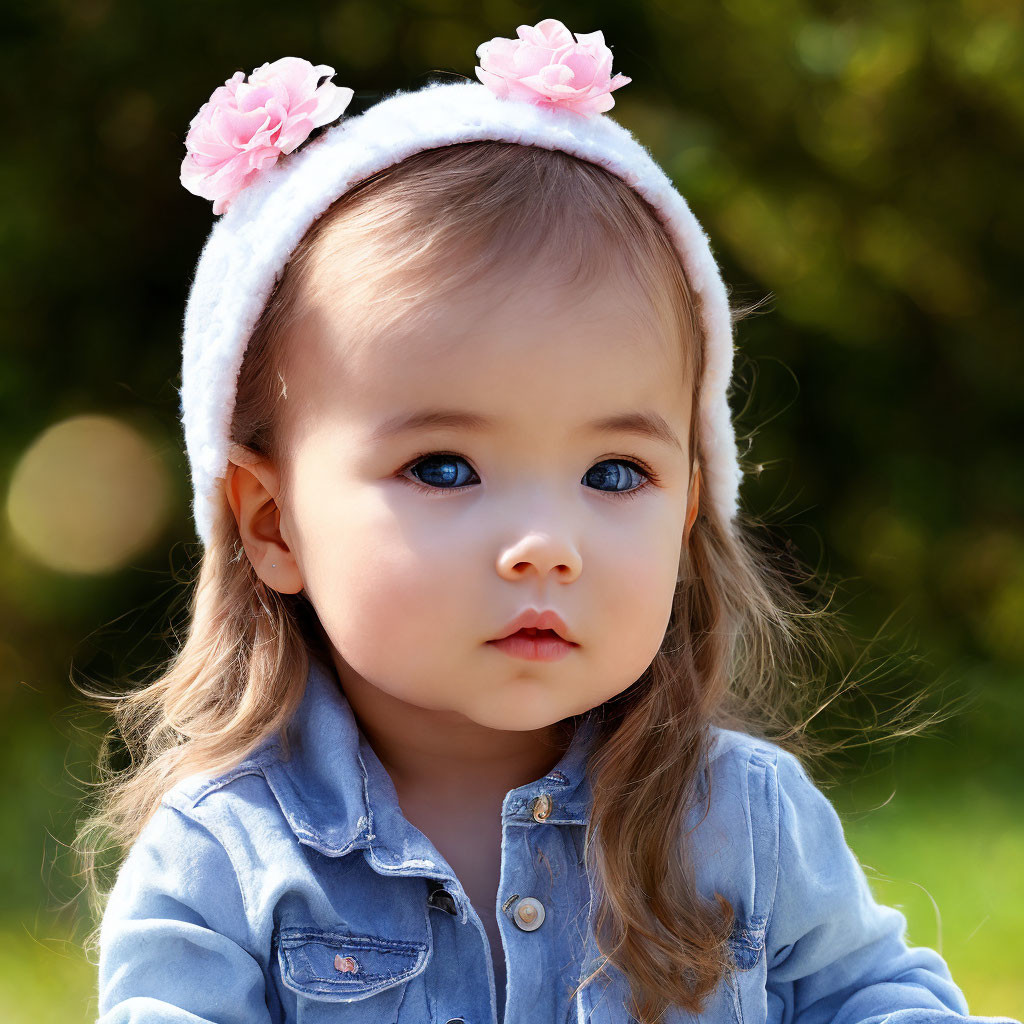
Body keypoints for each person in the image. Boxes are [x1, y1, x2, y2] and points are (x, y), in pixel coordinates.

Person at [80, 20, 1020, 1024]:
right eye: (444, 467)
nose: (546, 544)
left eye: (614, 472)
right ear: (273, 523)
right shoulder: (223, 860)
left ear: (688, 507)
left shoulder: (741, 819)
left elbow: (878, 998)